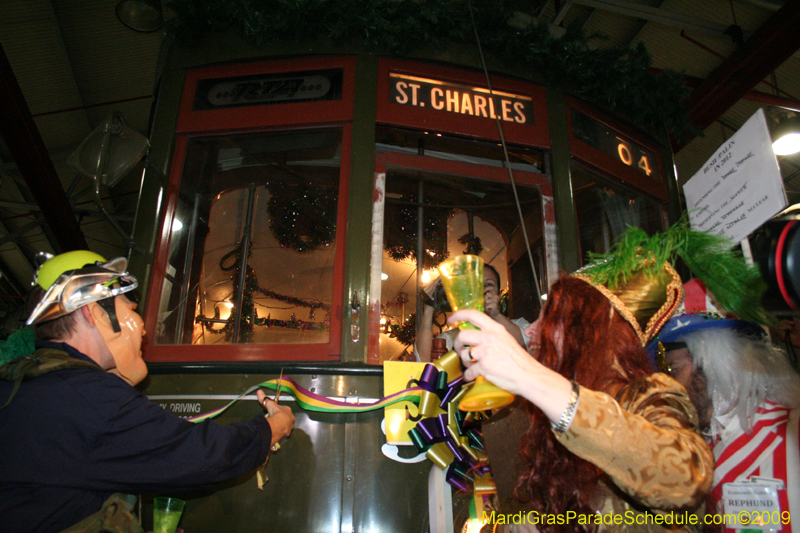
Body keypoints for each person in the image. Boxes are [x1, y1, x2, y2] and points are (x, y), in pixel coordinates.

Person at [448, 223, 755, 532]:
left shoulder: (651, 395)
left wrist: (533, 378)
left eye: (549, 318)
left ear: (586, 335)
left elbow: (684, 480)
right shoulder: (535, 417)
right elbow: (511, 509)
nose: (530, 330)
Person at [0, 250, 295, 533]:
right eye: (128, 307)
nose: (141, 326)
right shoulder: (87, 396)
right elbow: (197, 458)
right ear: (95, 313)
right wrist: (270, 428)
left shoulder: (22, 384)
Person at [650, 280, 800, 533]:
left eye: (672, 369)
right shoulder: (694, 445)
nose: (665, 384)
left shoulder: (791, 430)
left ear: (712, 363)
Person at [416, 263, 530, 362]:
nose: (482, 290)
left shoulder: (520, 326)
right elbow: (424, 362)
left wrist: (495, 315)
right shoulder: (453, 338)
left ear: (498, 296)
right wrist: (429, 308)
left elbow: (525, 344)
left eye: (489, 285)